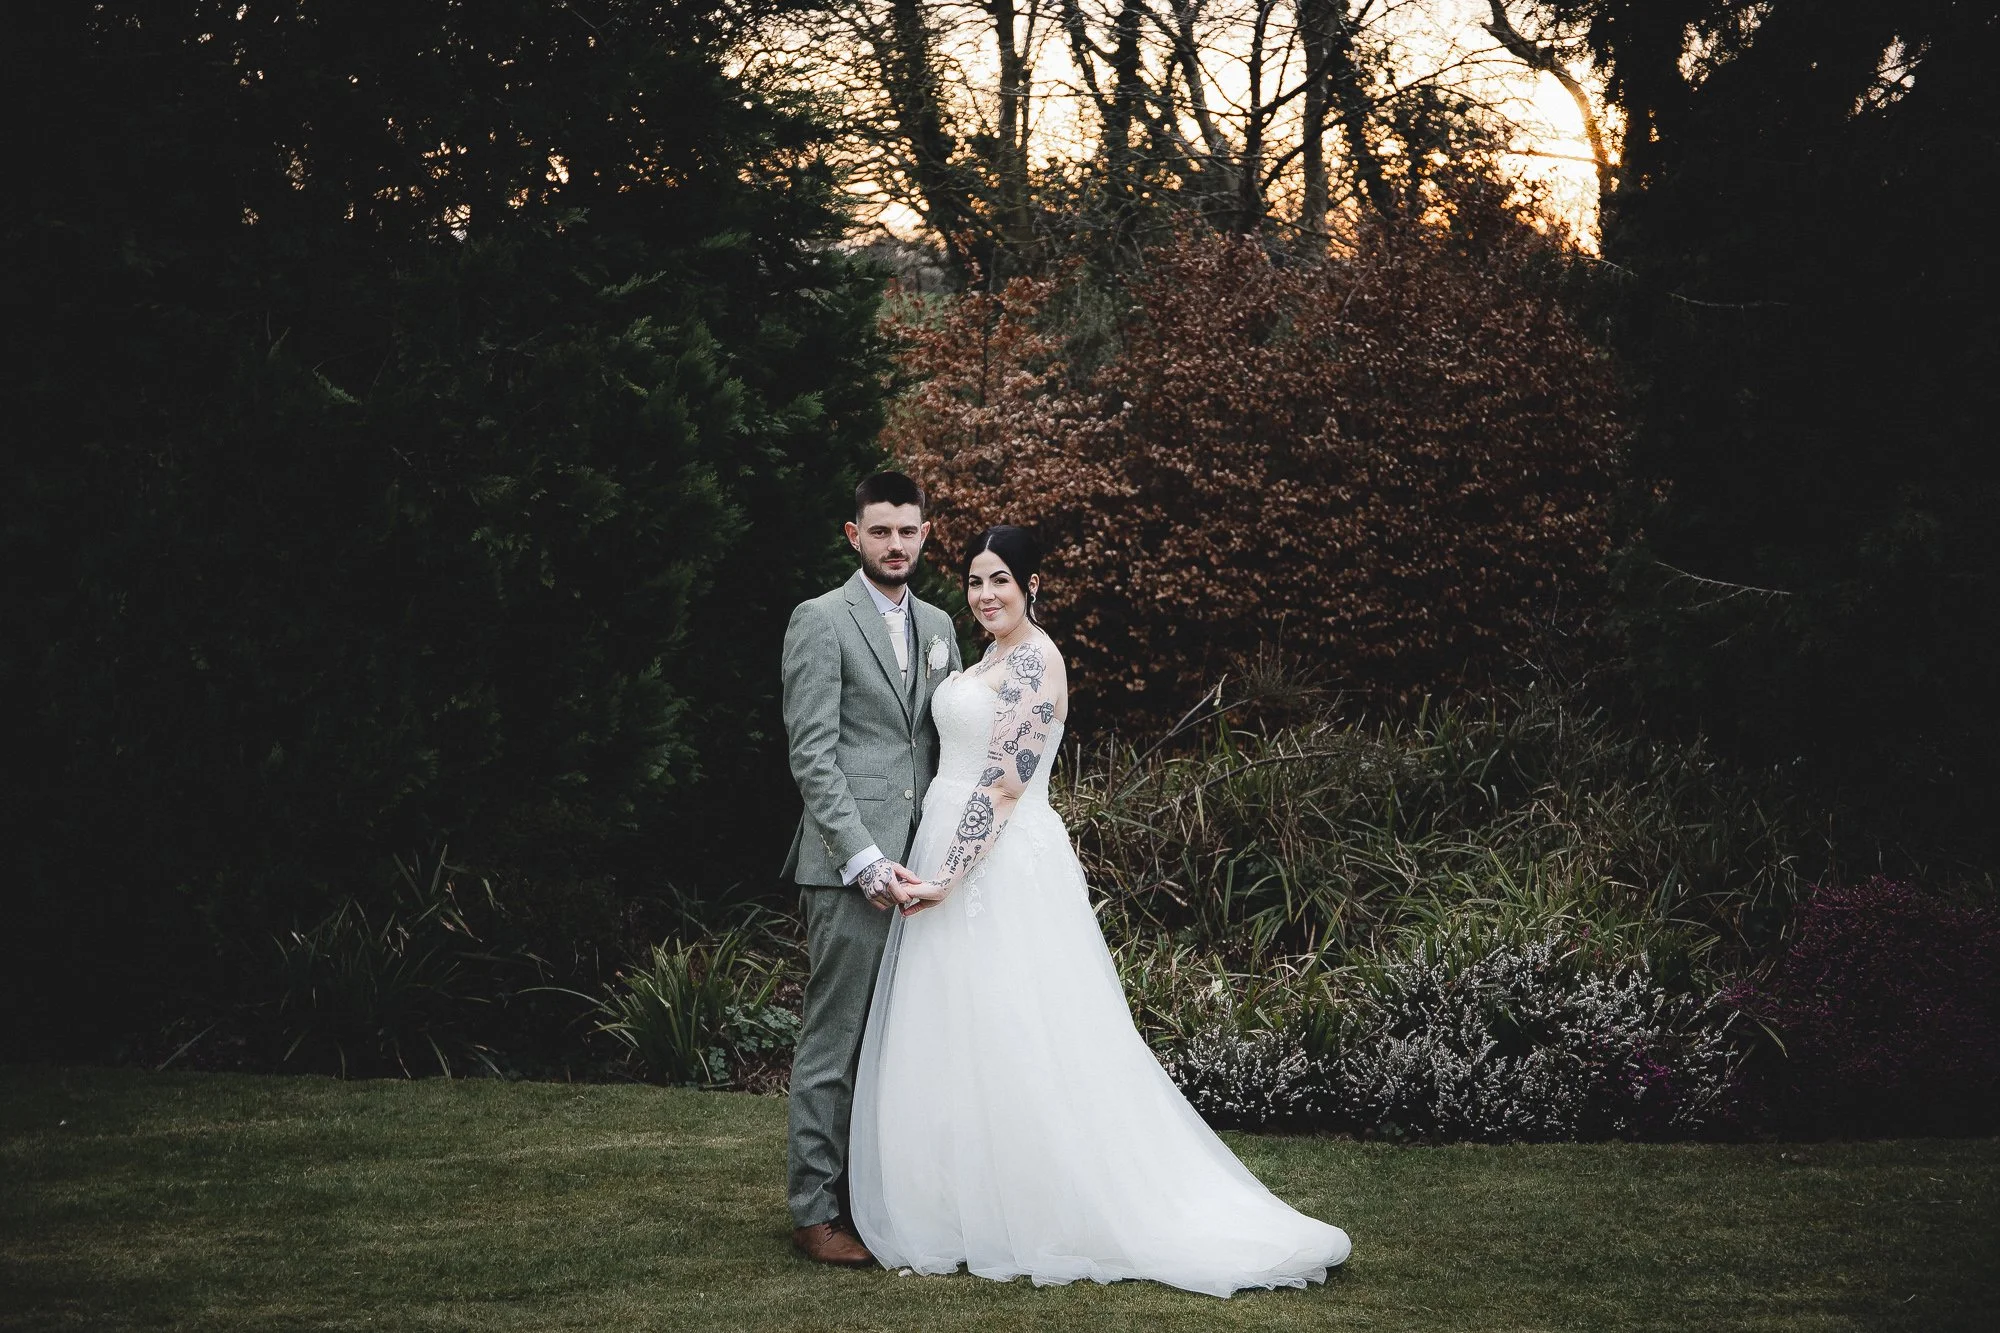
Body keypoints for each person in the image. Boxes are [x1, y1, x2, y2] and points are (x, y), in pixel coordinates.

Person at [848, 525, 1351, 1296]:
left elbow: (1006, 784)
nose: (986, 594)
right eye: (977, 580)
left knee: (1025, 1029)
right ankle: (956, 1203)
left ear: (1033, 585)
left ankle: (1046, 1203)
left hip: (1000, 863)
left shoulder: (1036, 660)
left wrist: (946, 874)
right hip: (946, 854)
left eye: (1002, 581)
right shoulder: (981, 658)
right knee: (957, 1030)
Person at [779, 471, 962, 1266]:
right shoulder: (820, 620)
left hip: (922, 870)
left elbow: (942, 745)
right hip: (847, 867)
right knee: (836, 1041)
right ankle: (814, 1211)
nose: (896, 544)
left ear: (927, 534)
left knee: (902, 1041)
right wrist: (863, 858)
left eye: (908, 530)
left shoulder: (941, 623)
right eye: (880, 530)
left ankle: (874, 1200)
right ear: (854, 534)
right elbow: (813, 755)